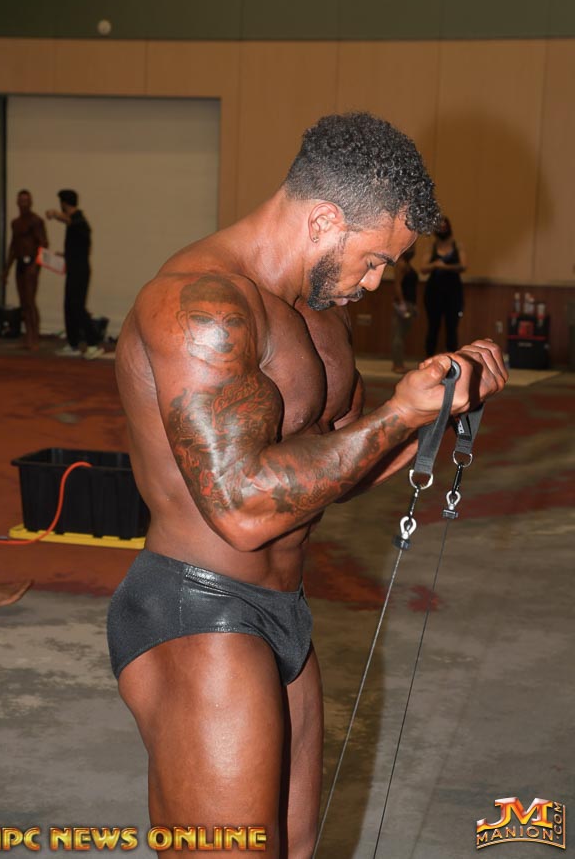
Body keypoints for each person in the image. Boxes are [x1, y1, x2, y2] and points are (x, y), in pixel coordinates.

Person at [107, 113, 507, 858]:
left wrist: (439, 411)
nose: (376, 281)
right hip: (199, 610)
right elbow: (241, 509)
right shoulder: (200, 306)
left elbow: (333, 470)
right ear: (324, 220)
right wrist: (398, 413)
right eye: (374, 259)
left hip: (281, 612)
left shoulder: (320, 318)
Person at [46, 190, 103, 358]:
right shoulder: (74, 224)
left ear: (64, 203)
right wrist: (64, 255)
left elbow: (72, 222)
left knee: (77, 307)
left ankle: (93, 344)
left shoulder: (79, 220)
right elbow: (82, 248)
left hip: (80, 271)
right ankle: (73, 344)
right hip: (73, 269)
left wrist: (55, 214)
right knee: (69, 306)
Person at [3, 189, 48, 350]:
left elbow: (43, 244)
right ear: (17, 202)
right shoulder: (15, 223)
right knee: (23, 303)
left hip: (31, 265)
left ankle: (34, 337)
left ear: (30, 202)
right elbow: (13, 247)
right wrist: (6, 269)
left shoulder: (36, 221)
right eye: (21, 200)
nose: (23, 203)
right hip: (20, 264)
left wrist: (36, 266)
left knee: (30, 301)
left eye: (26, 200)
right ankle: (28, 335)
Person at [421, 215, 467, 356]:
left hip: (453, 292)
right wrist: (435, 264)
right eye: (439, 227)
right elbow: (423, 268)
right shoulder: (432, 247)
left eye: (444, 227)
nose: (442, 229)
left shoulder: (457, 246)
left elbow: (464, 265)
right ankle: (429, 358)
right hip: (434, 293)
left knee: (452, 327)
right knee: (433, 327)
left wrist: (445, 267)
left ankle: (453, 360)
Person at [391, 244, 418, 373]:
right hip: (403, 303)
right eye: (410, 248)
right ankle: (397, 365)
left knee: (401, 334)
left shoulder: (407, 265)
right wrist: (402, 304)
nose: (412, 251)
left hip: (409, 303)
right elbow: (397, 285)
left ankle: (399, 363)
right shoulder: (401, 264)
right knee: (398, 335)